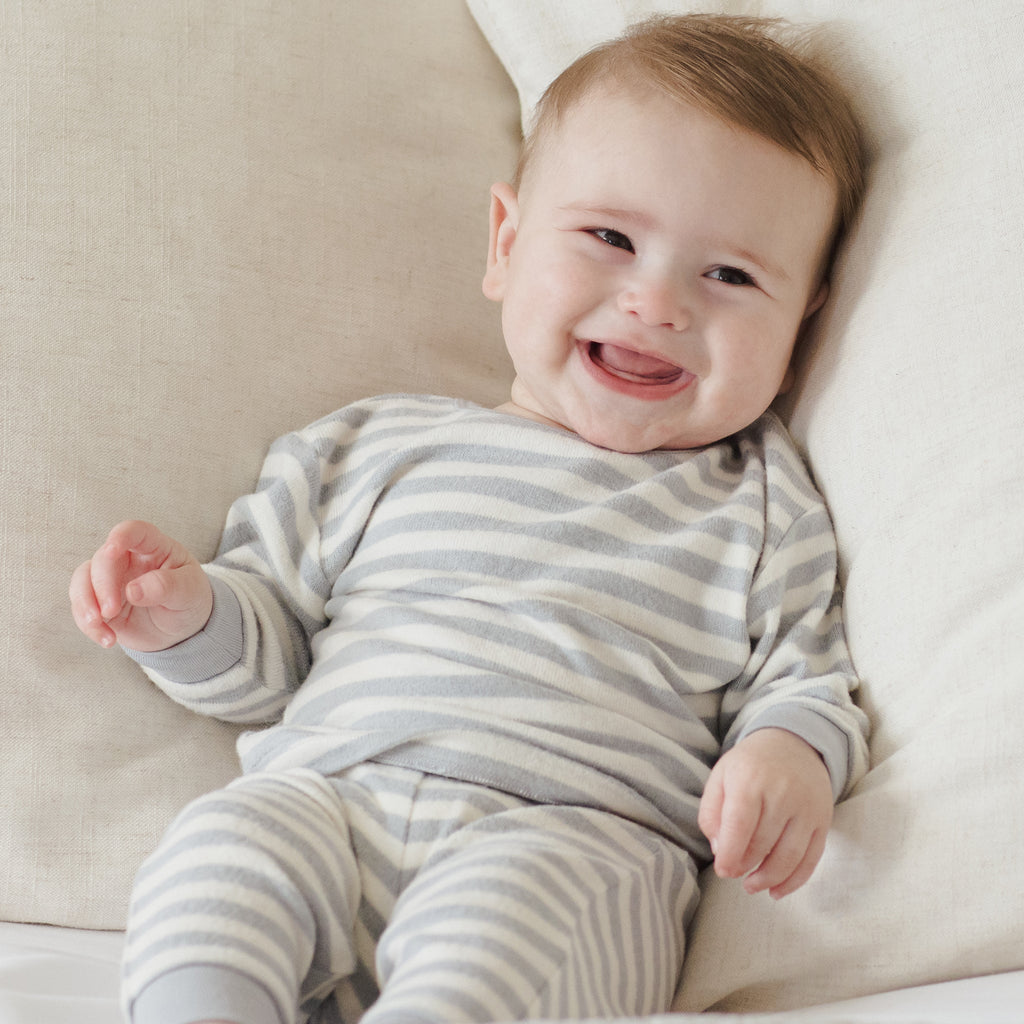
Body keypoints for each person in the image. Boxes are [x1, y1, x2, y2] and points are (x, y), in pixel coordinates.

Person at [70, 14, 870, 1024]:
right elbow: (266, 669)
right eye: (610, 237)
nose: (655, 301)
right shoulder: (367, 448)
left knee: (522, 910)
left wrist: (784, 755)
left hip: (576, 835)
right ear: (504, 244)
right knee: (220, 849)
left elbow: (805, 676)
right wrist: (182, 619)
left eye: (731, 275)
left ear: (801, 331)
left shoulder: (758, 500)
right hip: (330, 802)